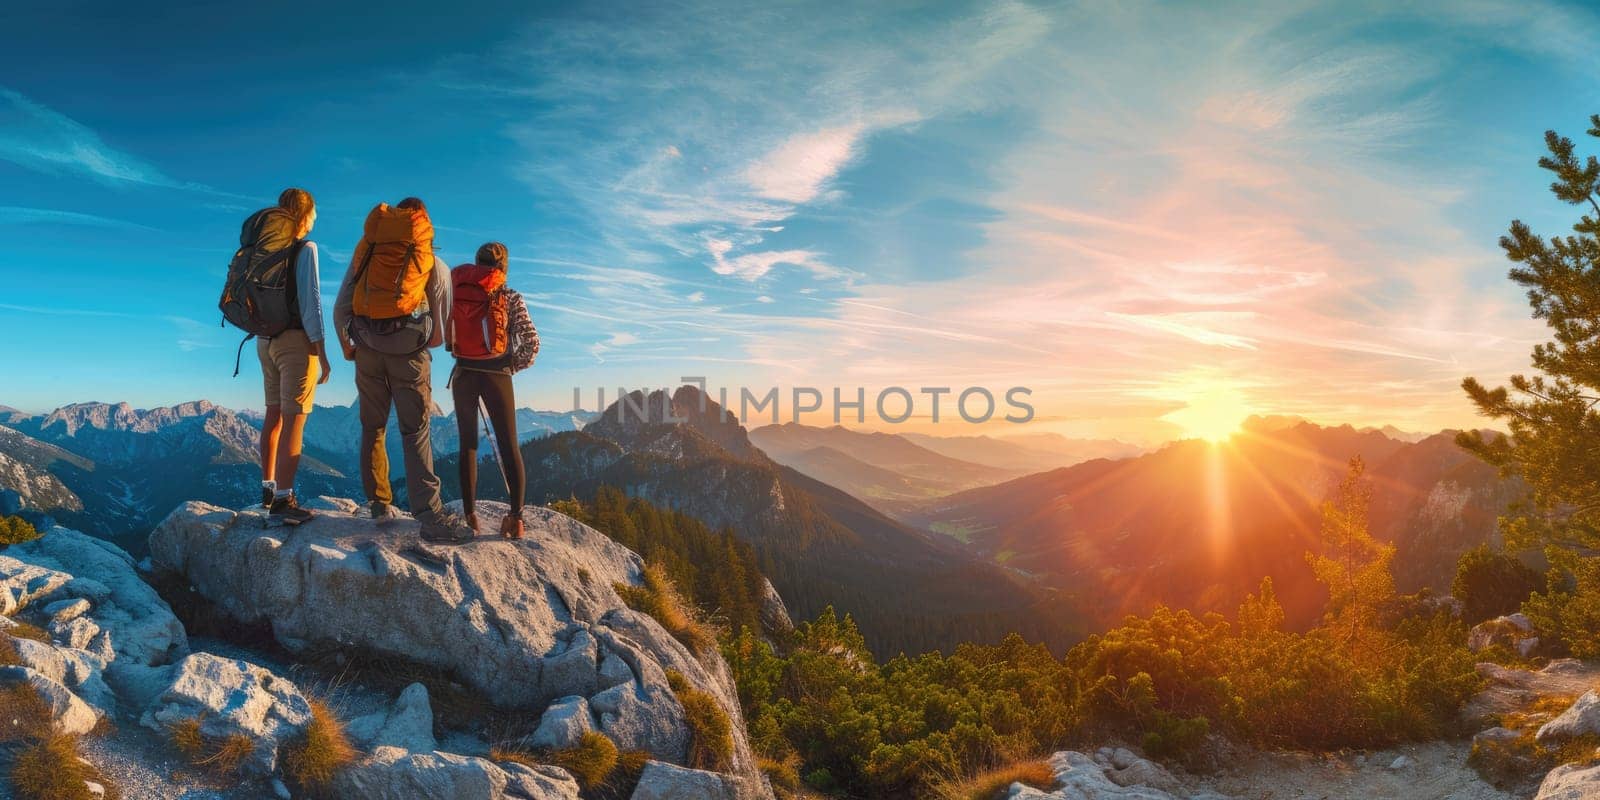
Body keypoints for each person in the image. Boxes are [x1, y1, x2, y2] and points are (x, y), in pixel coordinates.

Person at [332, 197, 476, 544]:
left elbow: (340, 308)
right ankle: (430, 517)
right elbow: (439, 336)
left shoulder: (366, 255)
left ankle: (379, 504)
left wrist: (350, 348)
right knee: (415, 432)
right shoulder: (432, 263)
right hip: (409, 355)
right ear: (423, 222)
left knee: (373, 426)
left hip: (366, 347)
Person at [446, 242, 539, 539]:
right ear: (504, 267)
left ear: (476, 263)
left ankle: (470, 517)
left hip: (463, 372)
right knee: (509, 445)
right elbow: (531, 342)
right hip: (497, 375)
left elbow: (449, 336)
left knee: (467, 445)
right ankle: (515, 519)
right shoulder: (509, 296)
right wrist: (512, 365)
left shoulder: (457, 290)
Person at [256, 188, 330, 526]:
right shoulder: (305, 249)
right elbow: (312, 303)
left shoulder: (264, 249)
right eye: (314, 213)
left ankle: (268, 492)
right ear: (304, 216)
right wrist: (322, 352)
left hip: (263, 340)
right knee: (294, 418)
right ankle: (285, 501)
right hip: (295, 342)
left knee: (273, 415)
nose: (316, 219)